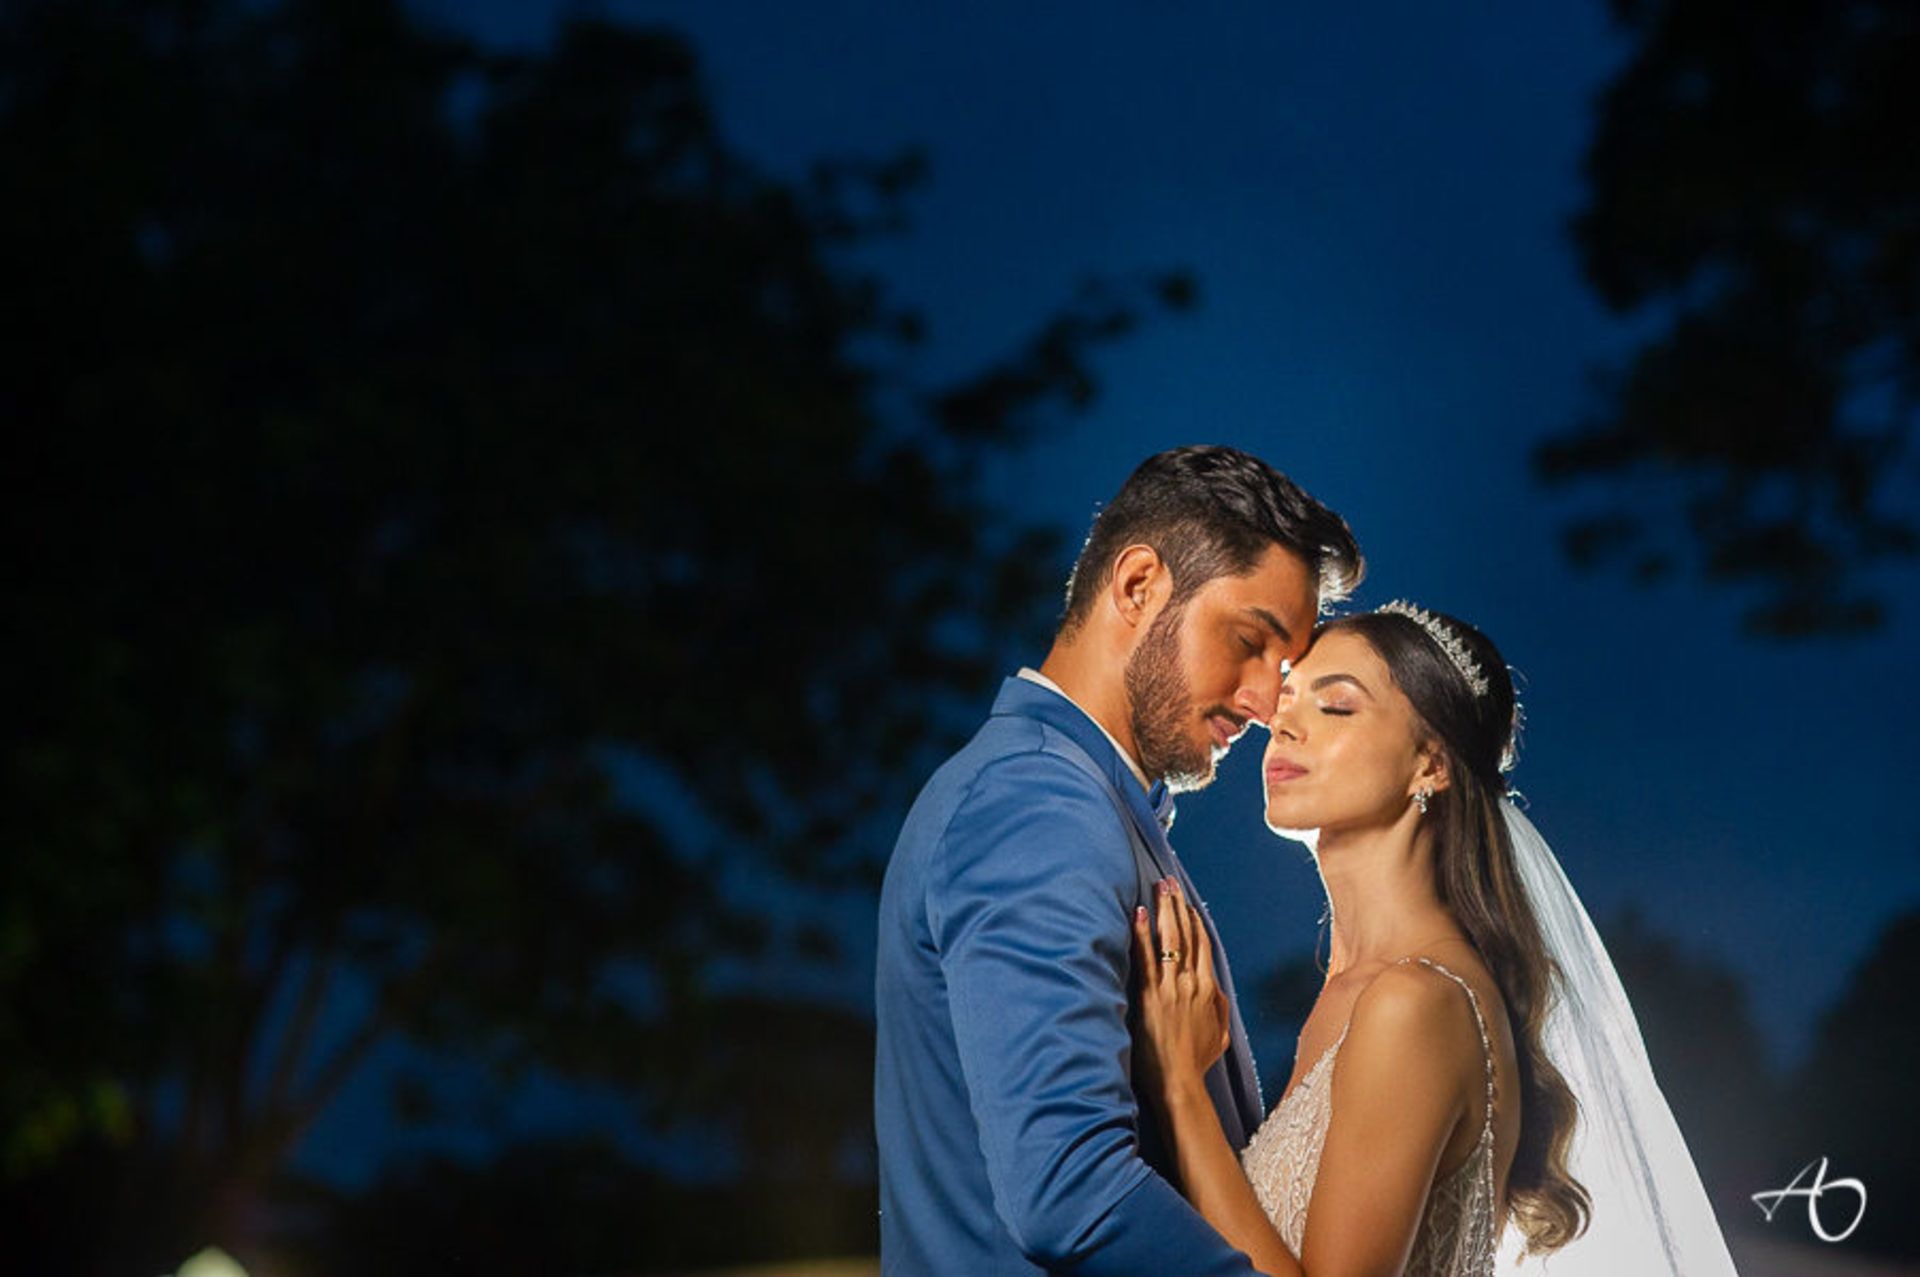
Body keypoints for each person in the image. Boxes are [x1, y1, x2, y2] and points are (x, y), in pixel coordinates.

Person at [1131, 603, 1743, 1276]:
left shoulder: (1415, 1002)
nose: (1283, 722)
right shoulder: (1358, 987)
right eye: (1286, 699)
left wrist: (1183, 1088)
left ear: (1431, 763)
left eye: (1335, 706)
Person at [873, 445, 1364, 1275]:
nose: (1260, 699)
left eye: (1280, 669)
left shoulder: (1085, 802)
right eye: (1248, 641)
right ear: (1138, 586)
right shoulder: (1034, 802)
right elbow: (1070, 1187)